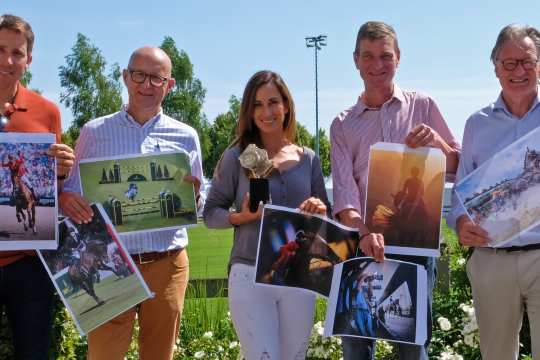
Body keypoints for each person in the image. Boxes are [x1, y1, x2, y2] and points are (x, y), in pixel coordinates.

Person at [59, 46, 204, 360]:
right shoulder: (94, 132)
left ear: (170, 84)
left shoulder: (186, 136)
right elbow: (68, 193)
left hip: (167, 263)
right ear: (125, 77)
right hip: (110, 263)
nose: (146, 84)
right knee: (104, 355)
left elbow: (197, 205)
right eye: (139, 74)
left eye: (157, 78)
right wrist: (69, 200)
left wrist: (193, 198)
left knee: (159, 355)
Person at [330, 21, 460, 359]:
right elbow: (344, 193)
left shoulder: (424, 105)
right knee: (357, 346)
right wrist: (364, 232)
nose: (377, 65)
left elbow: (459, 165)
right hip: (361, 246)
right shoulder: (343, 124)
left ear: (398, 58)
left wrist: (438, 144)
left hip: (415, 247)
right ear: (355, 60)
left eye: (385, 56)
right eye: (368, 56)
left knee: (413, 348)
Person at [203, 70, 329, 359]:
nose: (266, 112)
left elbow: (326, 218)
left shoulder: (308, 158)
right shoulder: (237, 156)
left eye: (273, 102)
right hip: (249, 274)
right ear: (249, 111)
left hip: (298, 274)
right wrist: (241, 217)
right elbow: (210, 213)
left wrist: (319, 210)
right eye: (257, 104)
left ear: (286, 105)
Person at [448, 24, 540, 360]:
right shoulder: (477, 124)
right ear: (496, 68)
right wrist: (459, 223)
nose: (519, 71)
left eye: (527, 61)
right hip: (492, 258)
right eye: (509, 63)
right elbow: (460, 191)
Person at [0, 14, 75, 360]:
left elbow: (53, 188)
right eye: (0, 50)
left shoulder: (48, 112)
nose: (7, 60)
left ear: (29, 59)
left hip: (29, 262)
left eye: (17, 52)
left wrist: (61, 171)